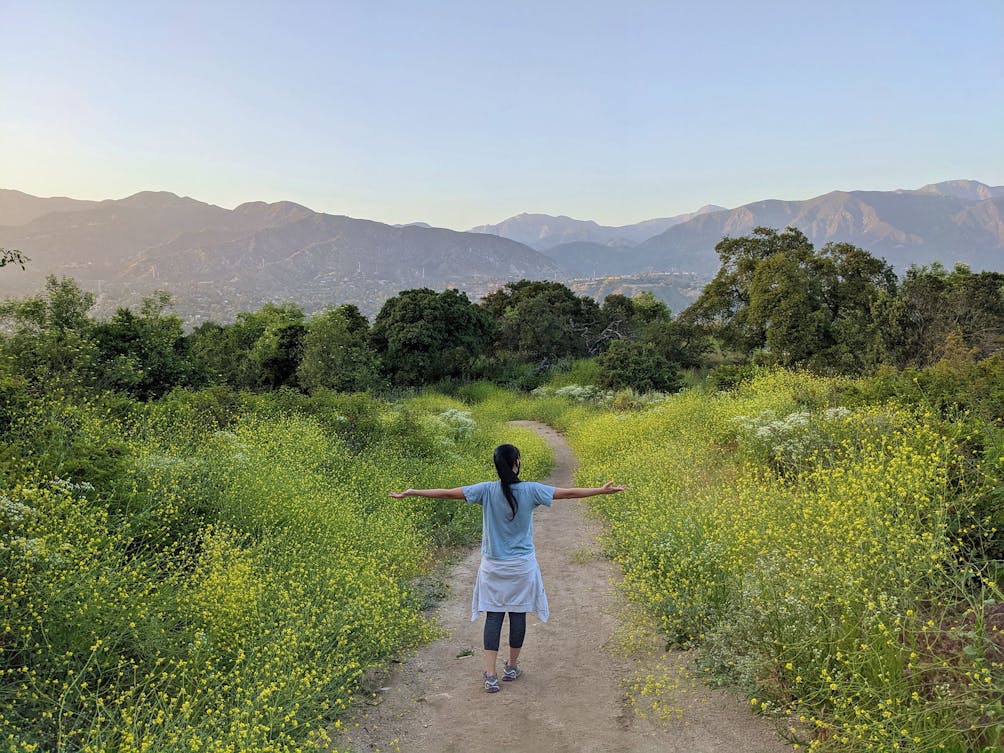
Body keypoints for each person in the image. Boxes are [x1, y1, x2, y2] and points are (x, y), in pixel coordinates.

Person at [390, 443, 624, 693]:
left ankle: (490, 675)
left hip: (493, 567)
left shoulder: (486, 491)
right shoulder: (531, 490)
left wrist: (414, 492)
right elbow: (567, 493)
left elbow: (448, 493)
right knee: (517, 615)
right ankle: (511, 668)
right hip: (522, 567)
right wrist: (600, 491)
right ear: (517, 463)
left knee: (493, 615)